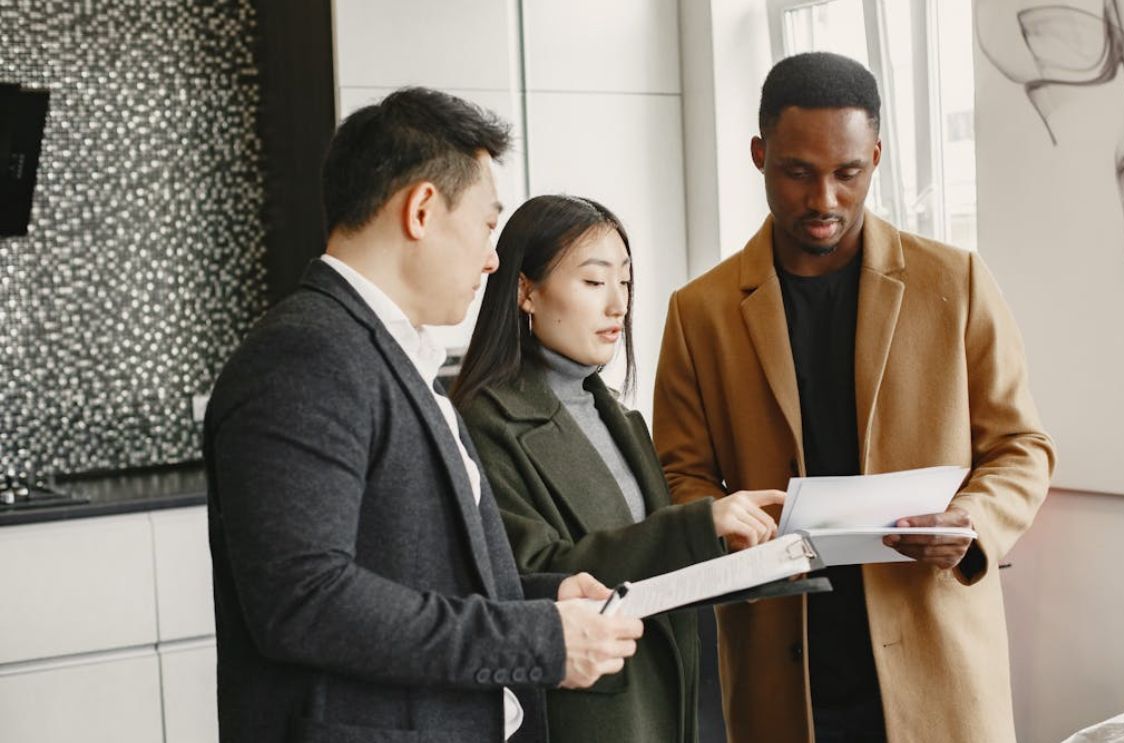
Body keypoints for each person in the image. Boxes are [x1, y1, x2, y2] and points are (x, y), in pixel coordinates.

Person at [204, 88, 643, 743]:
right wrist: (535, 638)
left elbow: (418, 570)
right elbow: (304, 600)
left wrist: (543, 599)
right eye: (487, 225)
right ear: (421, 209)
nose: (493, 258)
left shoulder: (389, 351)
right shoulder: (305, 354)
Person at [652, 53, 1057, 742]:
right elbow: (677, 473)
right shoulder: (701, 310)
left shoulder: (953, 281)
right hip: (782, 663)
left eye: (847, 173)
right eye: (797, 172)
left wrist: (968, 521)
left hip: (934, 655)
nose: (824, 200)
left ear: (874, 155)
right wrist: (726, 523)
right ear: (758, 154)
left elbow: (1020, 448)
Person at [451, 194, 785, 743]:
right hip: (588, 713)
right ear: (525, 290)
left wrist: (743, 556)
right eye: (593, 282)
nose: (617, 305)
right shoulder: (485, 423)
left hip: (665, 703)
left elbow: (652, 559)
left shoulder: (622, 419)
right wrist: (699, 524)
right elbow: (540, 576)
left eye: (625, 282)